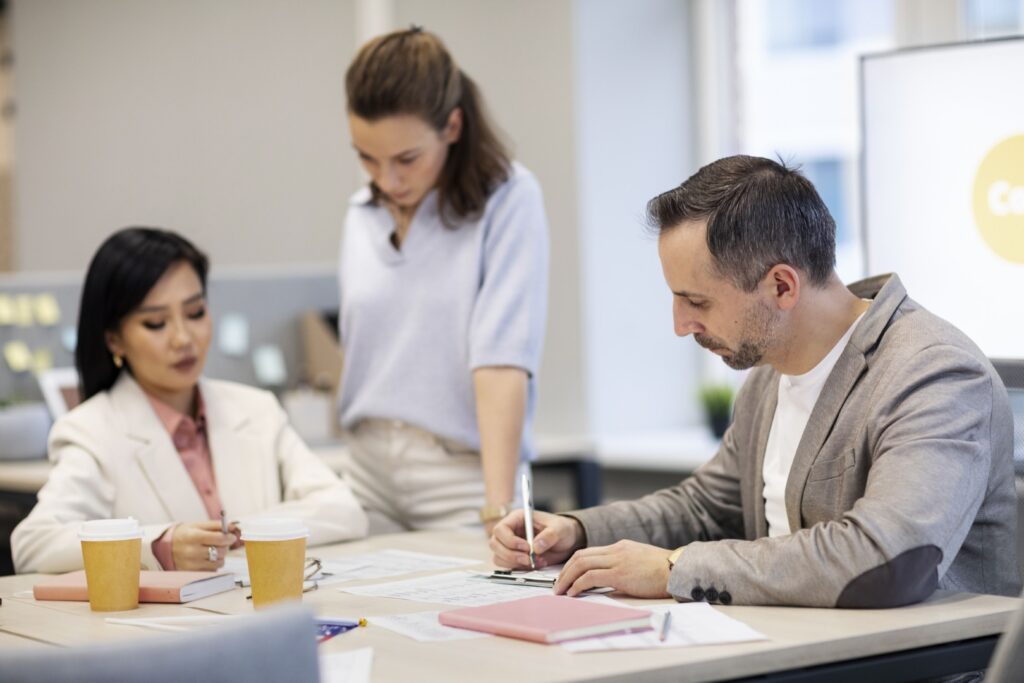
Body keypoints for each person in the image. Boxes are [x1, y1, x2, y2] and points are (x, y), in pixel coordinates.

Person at [491, 155, 1020, 607]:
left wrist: (677, 568)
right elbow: (705, 507)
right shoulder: (771, 372)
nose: (681, 326)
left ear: (782, 285)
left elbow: (888, 557)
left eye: (697, 301)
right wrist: (580, 533)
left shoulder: (934, 372)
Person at [12, 228, 368, 574]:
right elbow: (33, 544)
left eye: (195, 313)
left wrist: (244, 533)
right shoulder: (92, 430)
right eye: (155, 323)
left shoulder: (256, 409)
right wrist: (158, 544)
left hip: (264, 616)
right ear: (115, 340)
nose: (183, 338)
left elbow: (344, 510)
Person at [337, 27, 549, 534]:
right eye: (367, 157)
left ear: (453, 126)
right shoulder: (360, 212)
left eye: (406, 159)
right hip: (366, 467)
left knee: (472, 607)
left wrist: (499, 509)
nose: (388, 179)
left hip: (464, 473)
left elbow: (501, 359)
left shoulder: (508, 199)